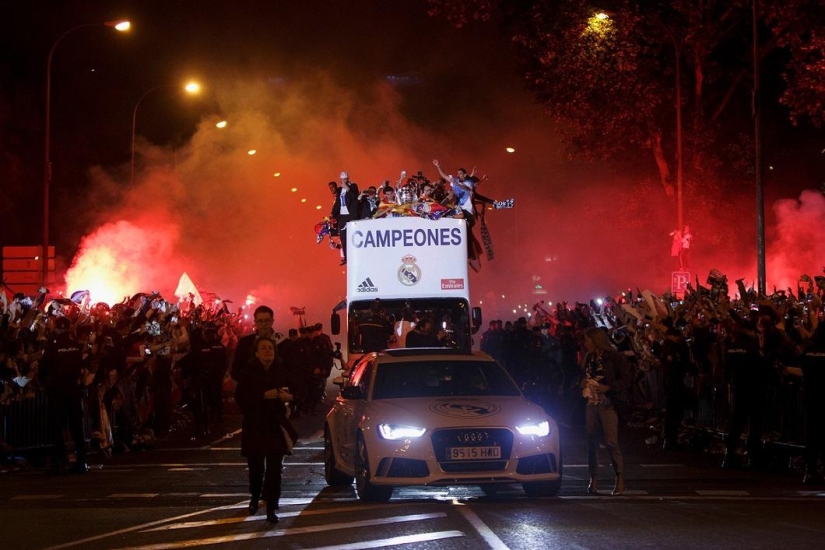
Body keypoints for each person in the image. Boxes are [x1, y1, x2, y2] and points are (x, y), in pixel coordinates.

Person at [234, 337, 299, 523]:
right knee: (256, 469)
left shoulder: (282, 371)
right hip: (254, 425)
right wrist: (263, 395)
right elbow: (241, 399)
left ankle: (272, 507)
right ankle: (255, 497)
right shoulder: (248, 373)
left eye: (270, 348)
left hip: (275, 425)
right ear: (256, 353)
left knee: (275, 470)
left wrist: (290, 397)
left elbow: (298, 391)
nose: (268, 351)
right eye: (263, 348)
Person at [580, 327, 632, 496]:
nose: (585, 343)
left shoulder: (614, 357)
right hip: (591, 403)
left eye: (587, 340)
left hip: (607, 403)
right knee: (592, 442)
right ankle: (594, 478)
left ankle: (620, 478)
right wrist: (583, 383)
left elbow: (626, 379)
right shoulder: (589, 358)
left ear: (595, 340)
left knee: (611, 442)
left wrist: (608, 387)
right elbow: (582, 376)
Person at [39, 316, 88, 474]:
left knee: (56, 426)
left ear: (56, 328)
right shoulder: (77, 347)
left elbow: (42, 368)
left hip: (57, 391)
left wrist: (44, 383)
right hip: (73, 390)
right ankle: (81, 461)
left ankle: (60, 460)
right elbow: (82, 367)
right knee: (76, 427)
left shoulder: (52, 348)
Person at [232, 305, 276, 381]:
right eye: (260, 321)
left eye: (267, 320)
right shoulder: (245, 343)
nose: (263, 324)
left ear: (272, 321)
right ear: (255, 322)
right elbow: (236, 371)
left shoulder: (284, 343)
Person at [330, 171, 360, 265]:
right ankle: (346, 257)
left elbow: (355, 198)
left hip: (350, 215)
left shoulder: (353, 186)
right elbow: (338, 203)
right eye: (342, 179)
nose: (343, 181)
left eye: (345, 179)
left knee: (352, 236)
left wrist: (347, 188)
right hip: (342, 216)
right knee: (343, 237)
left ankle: (355, 256)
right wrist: (332, 213)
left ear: (347, 179)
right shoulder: (340, 190)